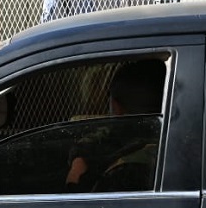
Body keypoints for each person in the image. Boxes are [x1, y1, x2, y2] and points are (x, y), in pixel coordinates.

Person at [65, 59, 166, 191]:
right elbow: (107, 134)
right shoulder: (170, 137)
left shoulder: (123, 173)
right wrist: (79, 157)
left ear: (116, 107)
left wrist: (75, 182)